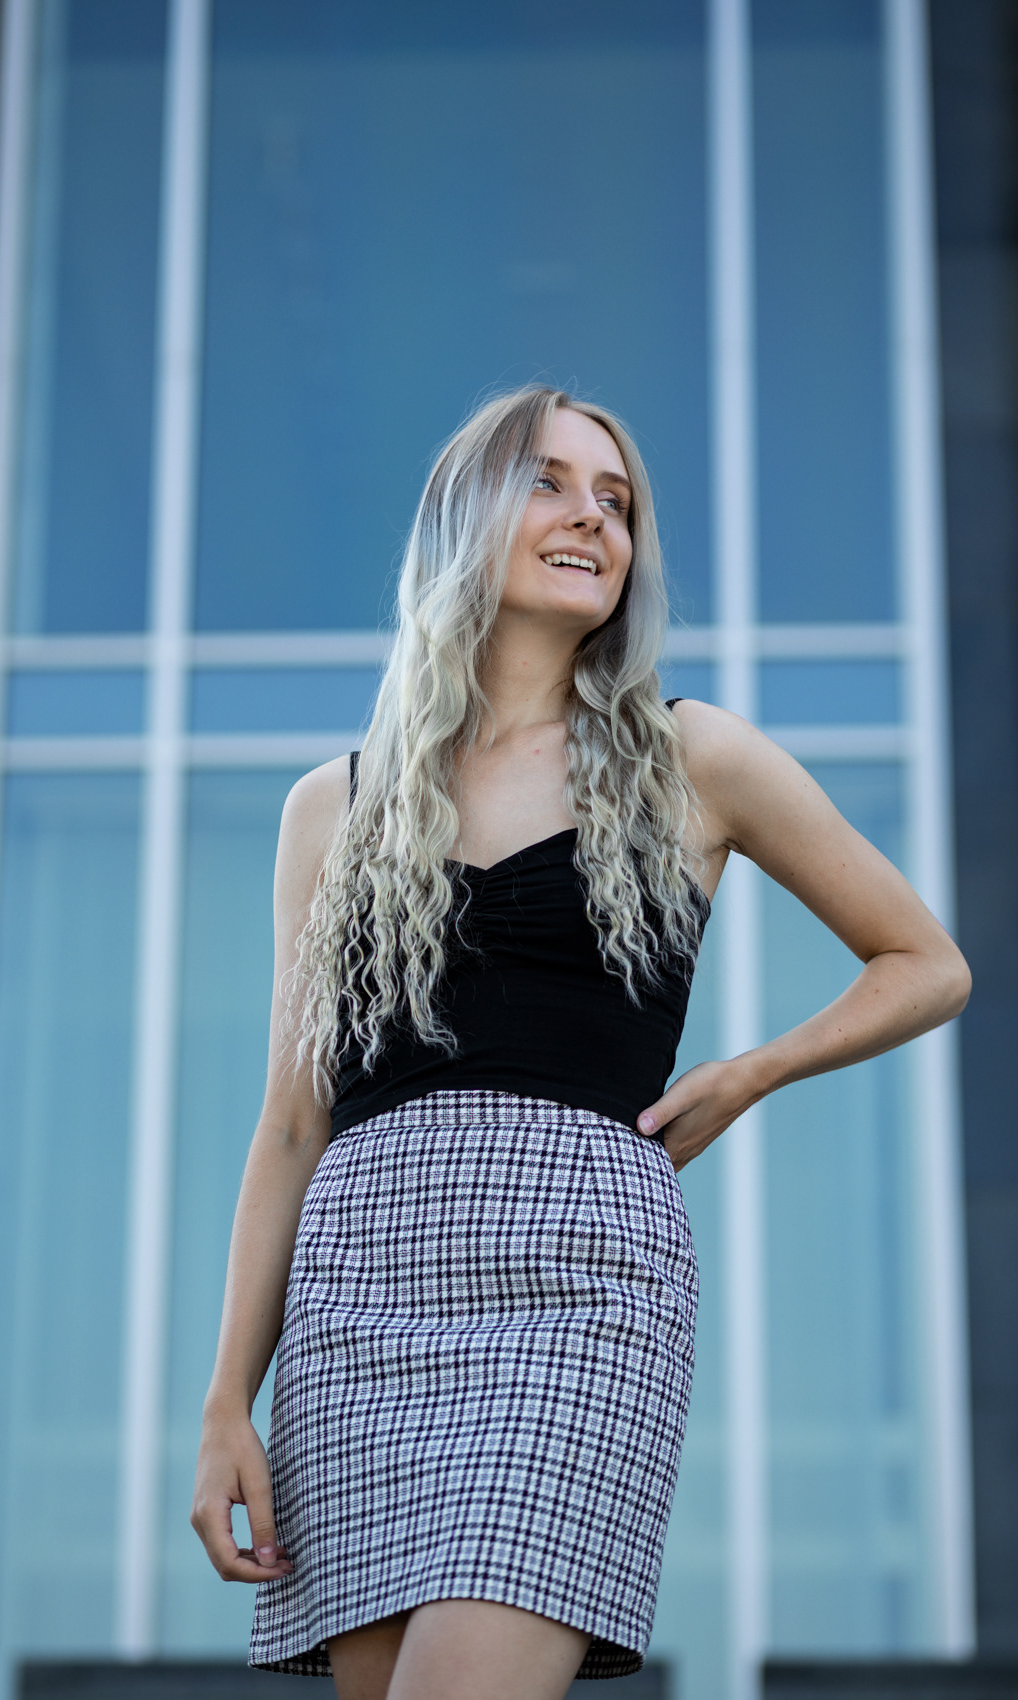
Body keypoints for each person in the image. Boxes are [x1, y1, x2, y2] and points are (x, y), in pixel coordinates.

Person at [191, 387, 970, 1700]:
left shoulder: (692, 757)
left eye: (616, 502)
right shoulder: (331, 806)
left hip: (582, 1281)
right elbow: (289, 1125)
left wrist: (749, 1072)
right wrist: (226, 1402)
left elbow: (925, 963)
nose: (592, 519)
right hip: (358, 1292)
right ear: (465, 517)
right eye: (550, 483)